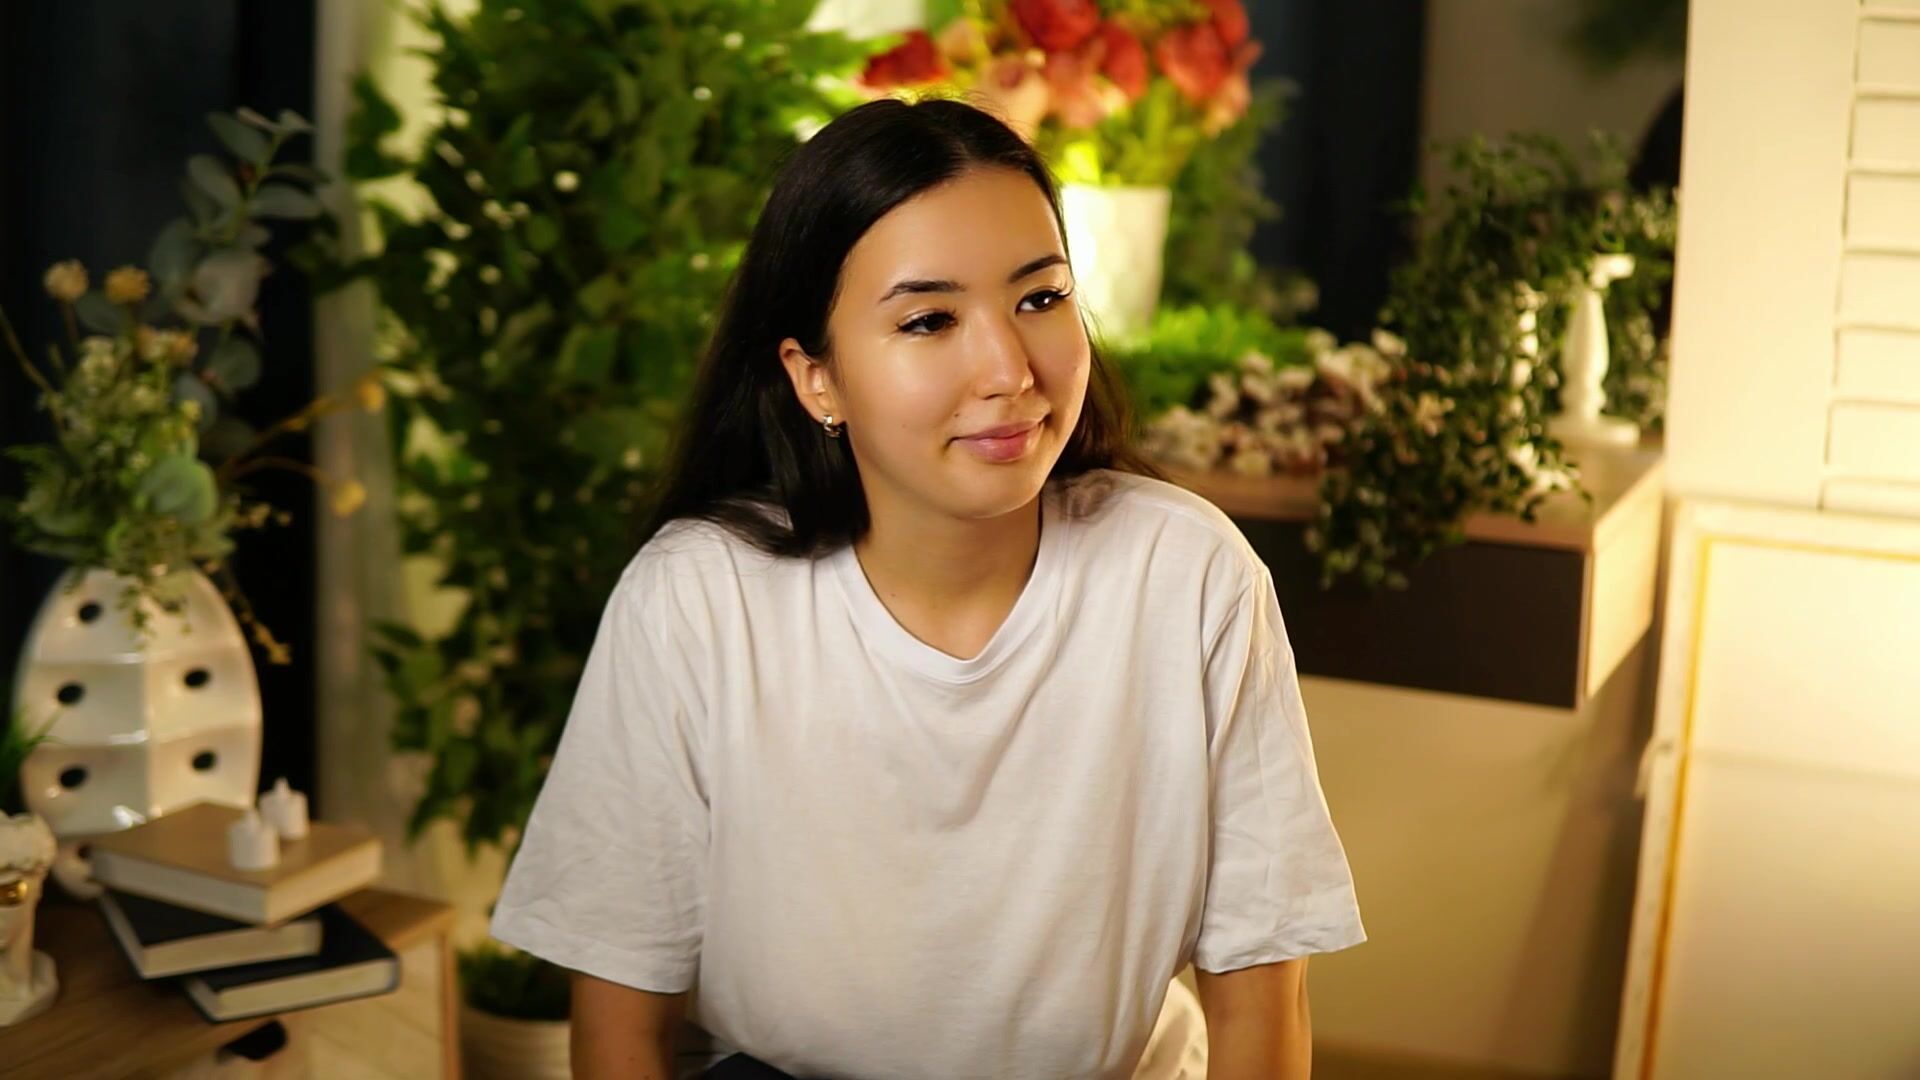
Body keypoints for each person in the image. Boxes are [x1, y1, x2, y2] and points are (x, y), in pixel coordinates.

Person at [489, 97, 1365, 1080]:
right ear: (815, 378)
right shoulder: (696, 600)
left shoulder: (1189, 577)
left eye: (1040, 298)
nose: (1008, 370)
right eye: (929, 320)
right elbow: (621, 1028)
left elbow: (1261, 1001)